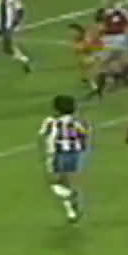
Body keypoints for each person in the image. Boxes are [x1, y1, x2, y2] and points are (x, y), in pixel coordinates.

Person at [38, 95, 90, 223]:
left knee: (54, 182)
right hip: (75, 154)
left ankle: (70, 196)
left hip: (58, 154)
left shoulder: (50, 121)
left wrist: (44, 154)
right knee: (65, 181)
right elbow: (84, 135)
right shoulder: (79, 122)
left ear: (56, 109)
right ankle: (71, 212)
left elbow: (42, 136)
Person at [88, 0, 128, 98]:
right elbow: (98, 26)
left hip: (115, 40)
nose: (103, 0)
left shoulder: (118, 11)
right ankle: (108, 82)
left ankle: (100, 85)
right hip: (110, 40)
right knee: (107, 63)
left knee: (99, 62)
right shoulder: (103, 12)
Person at [69, 23, 103, 91]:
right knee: (84, 64)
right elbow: (77, 51)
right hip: (87, 55)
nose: (72, 34)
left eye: (74, 32)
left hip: (94, 55)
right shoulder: (77, 40)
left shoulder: (87, 38)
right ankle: (90, 79)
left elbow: (96, 47)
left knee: (88, 64)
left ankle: (93, 81)